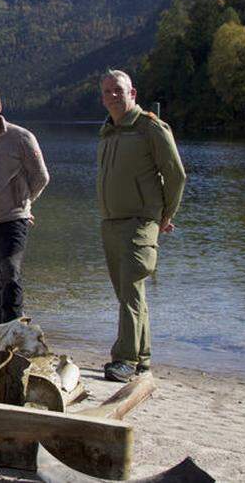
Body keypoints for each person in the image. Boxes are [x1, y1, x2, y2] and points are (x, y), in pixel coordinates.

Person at [97, 69, 186, 382]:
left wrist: (164, 216)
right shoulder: (108, 131)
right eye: (107, 91)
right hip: (111, 223)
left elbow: (176, 175)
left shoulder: (151, 128)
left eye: (118, 90)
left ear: (132, 92)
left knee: (132, 289)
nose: (112, 96)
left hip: (140, 222)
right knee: (126, 294)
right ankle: (143, 358)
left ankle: (125, 359)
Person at [0, 88, 49, 341]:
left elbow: (41, 177)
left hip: (12, 219)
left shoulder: (21, 138)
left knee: (10, 276)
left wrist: (25, 204)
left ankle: (14, 333)